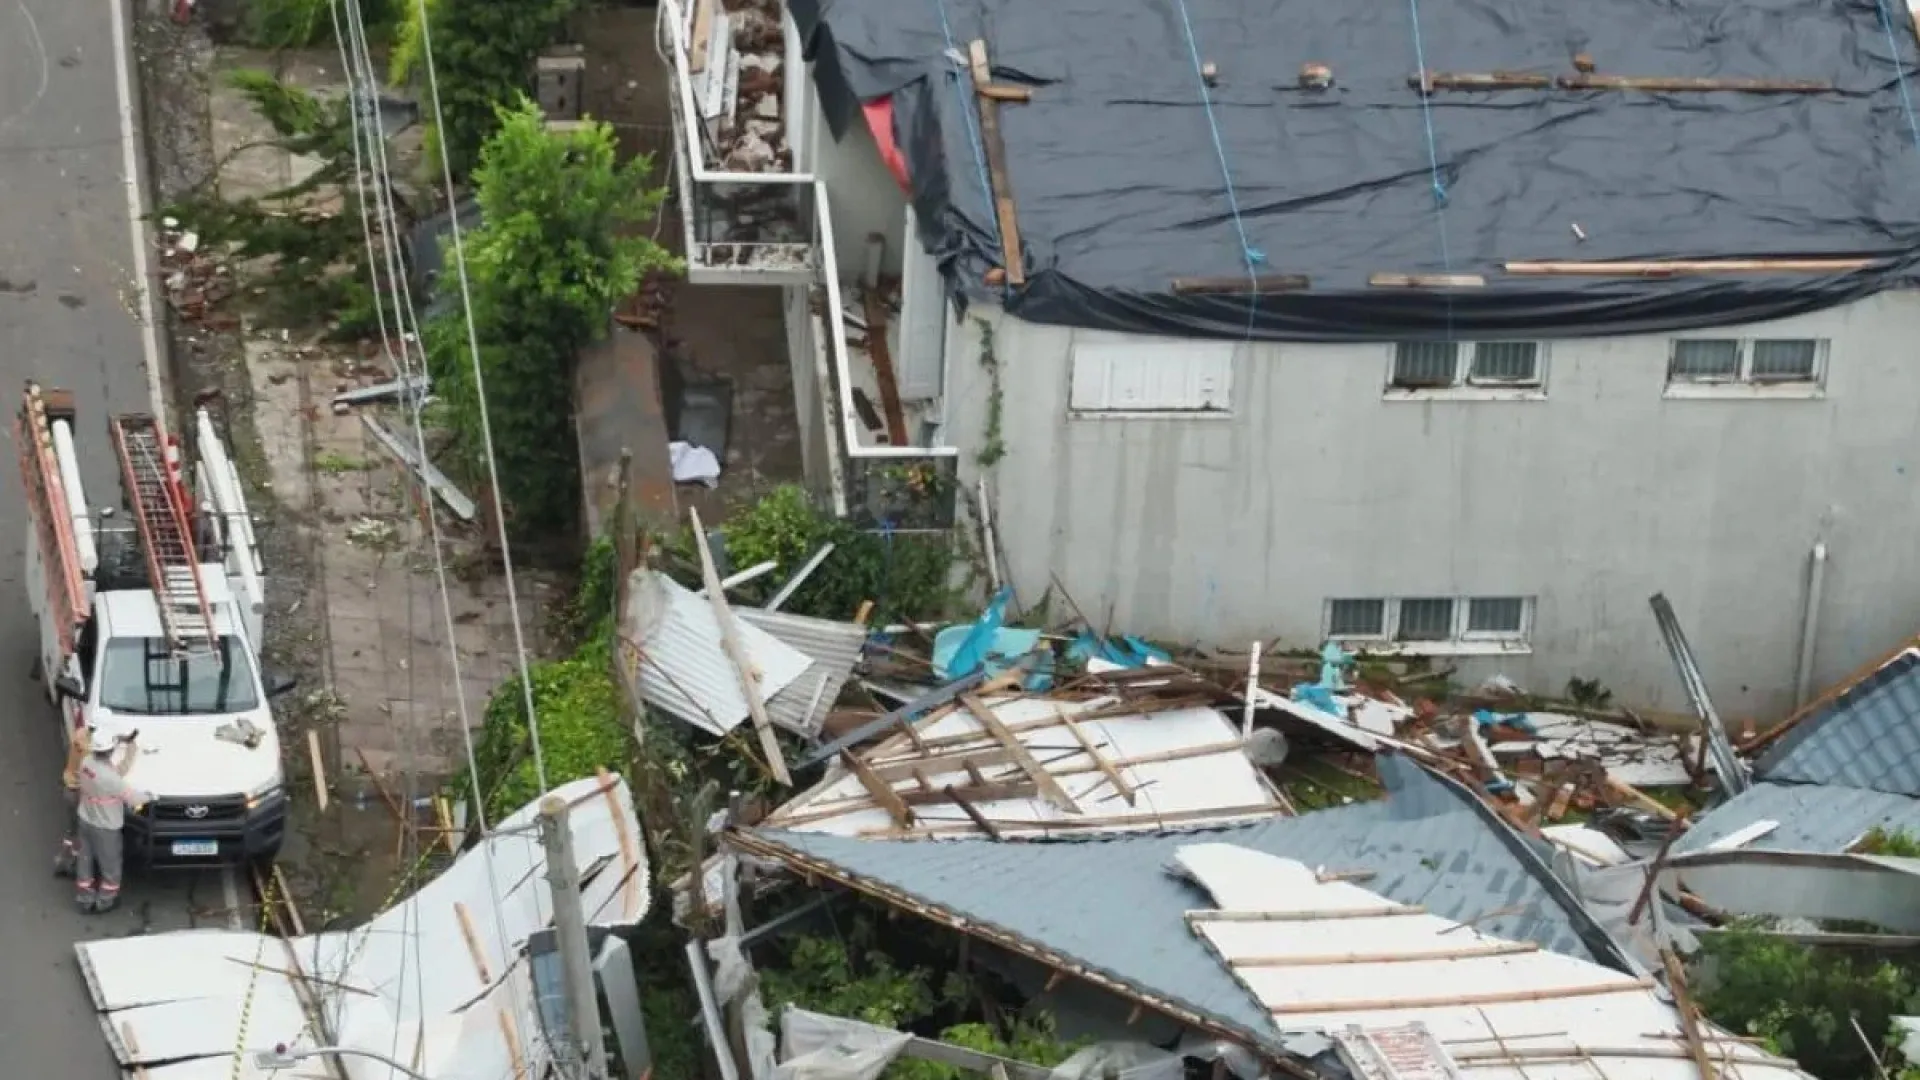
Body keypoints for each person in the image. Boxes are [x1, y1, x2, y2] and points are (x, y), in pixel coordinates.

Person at [74, 728, 148, 914]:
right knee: (111, 866)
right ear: (111, 749)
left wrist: (131, 747)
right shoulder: (108, 777)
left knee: (85, 860)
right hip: (105, 826)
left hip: (85, 818)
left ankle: (85, 898)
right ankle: (105, 901)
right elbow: (133, 798)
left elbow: (117, 773)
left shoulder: (87, 763)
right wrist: (150, 796)